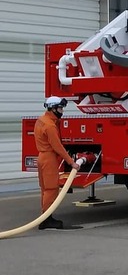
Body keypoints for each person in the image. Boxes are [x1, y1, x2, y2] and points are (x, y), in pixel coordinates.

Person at [35, 97, 83, 230]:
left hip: (42, 157)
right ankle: (46, 219)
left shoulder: (41, 120)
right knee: (51, 189)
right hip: (49, 158)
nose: (62, 111)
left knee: (45, 189)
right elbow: (58, 147)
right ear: (53, 108)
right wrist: (71, 162)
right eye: (60, 108)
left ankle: (45, 217)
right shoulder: (50, 126)